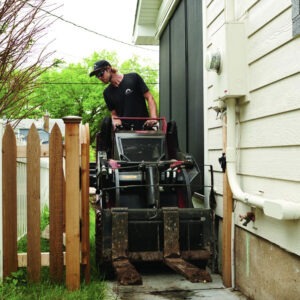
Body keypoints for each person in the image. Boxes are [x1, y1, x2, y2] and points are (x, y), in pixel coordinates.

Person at [89, 59, 158, 129]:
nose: (99, 77)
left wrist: (153, 117)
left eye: (100, 73)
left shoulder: (133, 78)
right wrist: (115, 120)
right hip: (124, 133)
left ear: (109, 68)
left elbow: (149, 97)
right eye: (97, 76)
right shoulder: (107, 93)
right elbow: (114, 114)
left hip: (144, 128)